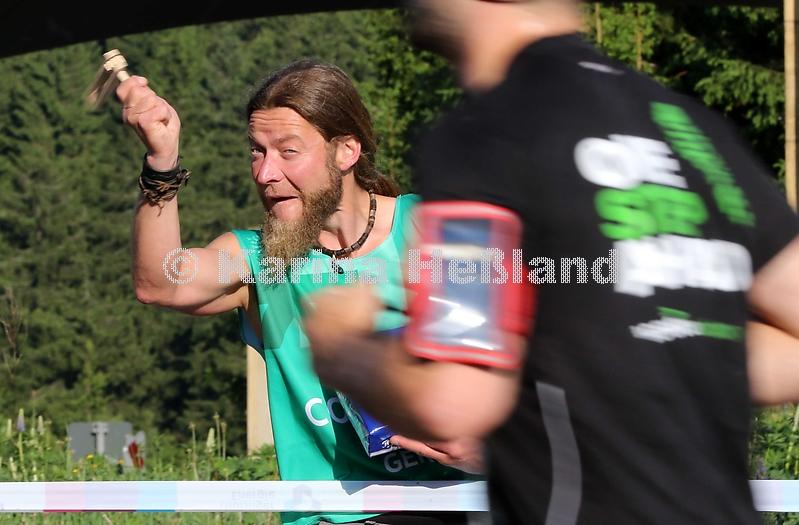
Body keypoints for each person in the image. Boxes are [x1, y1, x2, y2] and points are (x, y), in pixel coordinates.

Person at [304, 1, 799, 524]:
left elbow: (457, 400)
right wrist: (639, 339)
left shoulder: (489, 132)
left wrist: (344, 350)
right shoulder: (690, 130)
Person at [115, 59, 474, 525]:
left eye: (287, 152)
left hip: (469, 503)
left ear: (346, 151)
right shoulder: (259, 261)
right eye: (257, 152)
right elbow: (161, 282)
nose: (265, 173)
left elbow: (539, 362)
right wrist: (161, 161)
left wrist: (490, 446)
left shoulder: (439, 234)